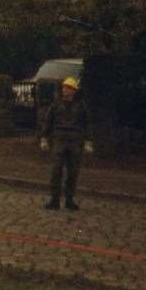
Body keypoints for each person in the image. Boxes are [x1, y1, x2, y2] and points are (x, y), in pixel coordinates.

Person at [39, 75, 91, 211]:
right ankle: (54, 200)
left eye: (68, 87)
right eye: (63, 87)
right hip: (59, 140)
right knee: (56, 171)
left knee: (73, 172)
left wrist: (87, 141)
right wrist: (44, 138)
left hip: (75, 141)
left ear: (74, 90)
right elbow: (48, 121)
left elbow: (86, 124)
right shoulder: (55, 104)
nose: (65, 89)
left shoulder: (80, 106)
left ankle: (69, 200)